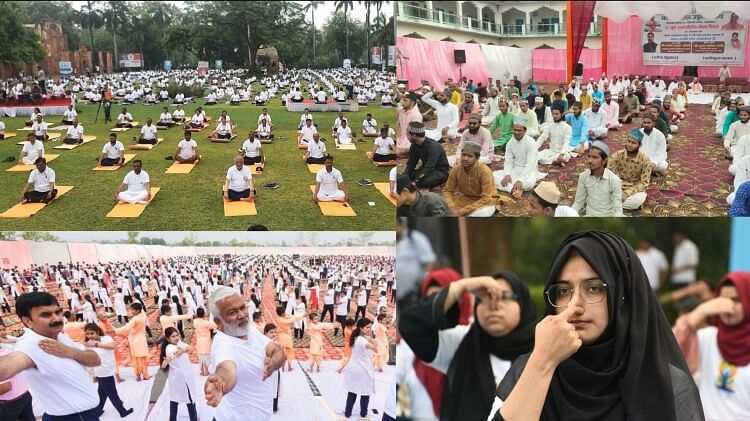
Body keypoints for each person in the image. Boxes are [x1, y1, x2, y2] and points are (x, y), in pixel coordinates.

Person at [490, 231, 702, 421]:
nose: (574, 306)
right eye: (563, 291)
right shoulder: (532, 368)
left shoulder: (666, 385)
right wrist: (543, 363)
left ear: (622, 296)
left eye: (593, 288)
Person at [401, 270, 536, 421]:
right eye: (485, 297)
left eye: (504, 296)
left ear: (523, 303)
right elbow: (411, 326)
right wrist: (461, 286)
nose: (494, 305)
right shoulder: (461, 342)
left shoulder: (542, 348)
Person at [0, 292, 102, 420]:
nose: (56, 318)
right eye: (46, 315)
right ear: (27, 321)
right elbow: (8, 365)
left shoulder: (59, 336)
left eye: (57, 312)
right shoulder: (29, 345)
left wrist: (69, 351)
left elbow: (96, 360)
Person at [204, 287, 287, 420]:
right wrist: (222, 383)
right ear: (218, 322)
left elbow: (278, 351)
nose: (242, 315)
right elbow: (227, 370)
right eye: (232, 312)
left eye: (243, 307)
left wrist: (273, 362)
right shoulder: (223, 346)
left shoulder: (248, 330)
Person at [82, 323, 133, 418]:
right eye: (87, 334)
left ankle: (97, 411)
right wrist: (92, 375)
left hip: (109, 369)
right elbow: (89, 362)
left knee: (102, 393)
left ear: (97, 332)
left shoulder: (106, 339)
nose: (89, 336)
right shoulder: (88, 345)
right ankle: (122, 411)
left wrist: (96, 344)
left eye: (92, 333)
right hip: (102, 373)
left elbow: (112, 346)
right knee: (112, 393)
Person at [443, 142, 498, 217]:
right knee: (442, 208)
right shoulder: (456, 169)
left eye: (470, 156)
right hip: (465, 199)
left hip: (485, 202)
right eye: (464, 155)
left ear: (477, 158)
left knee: (481, 214)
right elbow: (448, 190)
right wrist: (451, 206)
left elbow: (486, 198)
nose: (465, 158)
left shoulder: (485, 171)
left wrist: (464, 211)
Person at [571, 141, 624, 216]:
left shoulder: (614, 180)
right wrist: (569, 214)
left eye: (595, 157)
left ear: (604, 161)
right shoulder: (583, 176)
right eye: (589, 156)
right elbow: (578, 202)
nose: (590, 161)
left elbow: (617, 208)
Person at [493, 116, 541, 199]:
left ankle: (514, 186)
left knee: (529, 184)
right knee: (492, 176)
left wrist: (521, 180)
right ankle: (513, 189)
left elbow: (530, 164)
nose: (516, 132)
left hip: (528, 171)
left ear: (525, 130)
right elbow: (508, 161)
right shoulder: (510, 143)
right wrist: (507, 174)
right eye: (515, 130)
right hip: (514, 169)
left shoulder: (531, 142)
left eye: (519, 130)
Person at [608, 128, 652, 210]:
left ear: (640, 145)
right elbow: (607, 172)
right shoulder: (617, 155)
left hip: (634, 188)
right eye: (628, 141)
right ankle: (615, 202)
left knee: (636, 200)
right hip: (617, 185)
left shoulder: (645, 160)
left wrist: (627, 193)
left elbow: (644, 183)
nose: (630, 145)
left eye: (633, 143)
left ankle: (611, 202)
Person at [160, 327, 198, 421]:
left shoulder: (179, 343)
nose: (176, 337)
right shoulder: (169, 347)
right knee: (189, 398)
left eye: (177, 335)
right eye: (173, 336)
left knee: (175, 398)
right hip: (181, 379)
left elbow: (191, 348)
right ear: (168, 339)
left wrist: (184, 349)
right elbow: (172, 354)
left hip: (181, 377)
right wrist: (168, 359)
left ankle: (172, 419)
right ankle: (193, 418)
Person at [343, 318, 378, 419]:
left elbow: (367, 340)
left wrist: (370, 339)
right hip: (363, 370)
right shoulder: (362, 340)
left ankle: (348, 412)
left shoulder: (356, 336)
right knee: (365, 393)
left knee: (352, 391)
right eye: (367, 327)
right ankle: (363, 413)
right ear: (360, 327)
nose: (369, 329)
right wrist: (375, 346)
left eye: (370, 327)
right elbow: (372, 347)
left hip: (354, 368)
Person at [114, 302, 151, 381]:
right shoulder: (144, 316)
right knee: (142, 359)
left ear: (137, 310)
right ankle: (145, 375)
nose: (131, 311)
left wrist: (115, 331)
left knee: (136, 359)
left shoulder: (135, 319)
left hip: (134, 340)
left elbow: (126, 328)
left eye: (132, 310)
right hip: (141, 340)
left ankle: (138, 376)